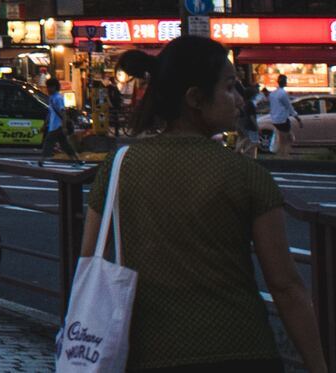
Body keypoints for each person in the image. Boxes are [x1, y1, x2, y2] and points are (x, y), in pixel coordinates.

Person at [80, 35, 325, 373]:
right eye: (229, 88)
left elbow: (89, 256)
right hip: (242, 351)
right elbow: (284, 285)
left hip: (147, 354)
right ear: (195, 98)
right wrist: (318, 364)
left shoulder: (118, 168)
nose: (239, 100)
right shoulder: (245, 175)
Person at [39, 77, 80, 164]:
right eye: (47, 87)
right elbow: (50, 113)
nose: (48, 89)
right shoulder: (52, 98)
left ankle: (42, 160)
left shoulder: (58, 98)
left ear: (54, 87)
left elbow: (63, 112)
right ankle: (76, 159)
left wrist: (64, 126)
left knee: (48, 142)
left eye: (49, 87)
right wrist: (45, 124)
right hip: (55, 126)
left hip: (57, 126)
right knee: (64, 144)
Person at [271, 74, 299, 158]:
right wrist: (297, 118)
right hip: (282, 120)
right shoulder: (283, 94)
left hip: (276, 119)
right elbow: (289, 107)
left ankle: (283, 155)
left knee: (285, 138)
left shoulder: (273, 94)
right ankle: (284, 156)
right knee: (286, 139)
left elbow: (272, 107)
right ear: (284, 82)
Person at [237, 79, 261, 158]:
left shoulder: (245, 103)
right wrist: (256, 126)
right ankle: (242, 153)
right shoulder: (251, 104)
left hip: (244, 123)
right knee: (255, 142)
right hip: (251, 124)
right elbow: (252, 116)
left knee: (244, 138)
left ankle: (246, 154)